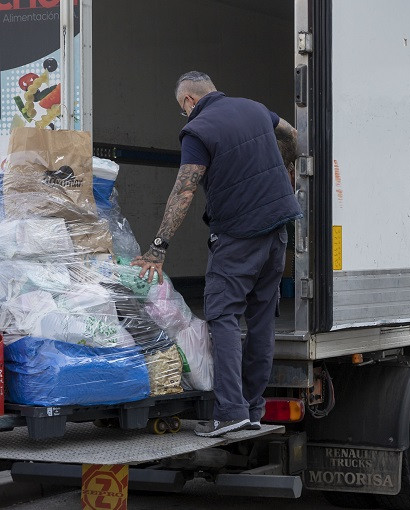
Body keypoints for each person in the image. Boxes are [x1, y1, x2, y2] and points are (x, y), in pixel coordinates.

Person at [132, 71, 301, 438]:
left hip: (238, 236)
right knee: (261, 321)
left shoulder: (198, 130)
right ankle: (253, 409)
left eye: (183, 109)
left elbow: (184, 191)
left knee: (223, 315)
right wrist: (283, 165)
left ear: (189, 102)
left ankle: (231, 411)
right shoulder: (256, 110)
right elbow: (291, 134)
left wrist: (158, 248)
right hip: (278, 234)